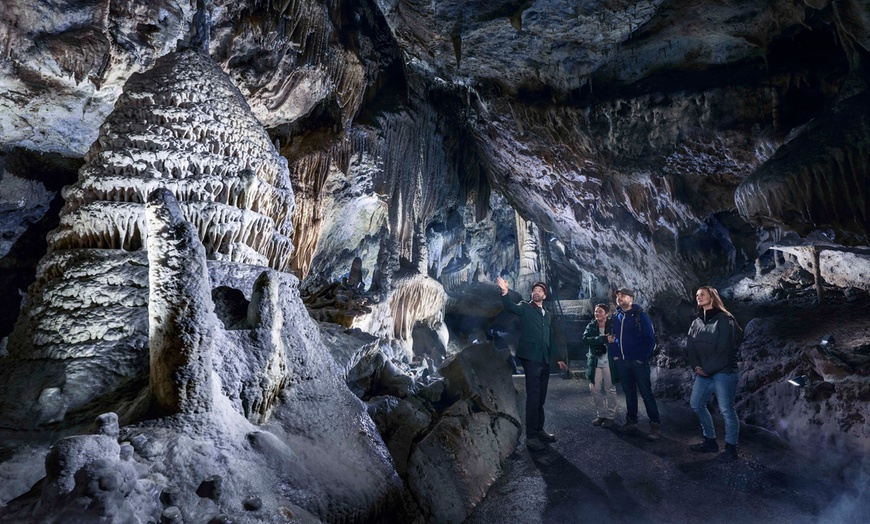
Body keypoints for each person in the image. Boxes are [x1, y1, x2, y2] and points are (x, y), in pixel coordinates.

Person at [497, 277, 568, 451]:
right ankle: (531, 436)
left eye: (540, 291)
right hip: (530, 357)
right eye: (534, 290)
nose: (536, 292)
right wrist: (505, 292)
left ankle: (539, 429)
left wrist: (557, 358)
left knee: (541, 397)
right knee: (534, 397)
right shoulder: (525, 307)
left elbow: (550, 338)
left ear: (544, 295)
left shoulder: (547, 315)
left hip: (544, 358)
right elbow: (510, 307)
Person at [686, 286, 742, 462]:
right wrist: (696, 365)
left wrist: (708, 369)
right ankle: (710, 441)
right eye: (696, 295)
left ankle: (731, 449)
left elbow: (726, 348)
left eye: (703, 294)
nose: (699, 297)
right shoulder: (696, 322)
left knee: (726, 409)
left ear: (712, 296)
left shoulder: (725, 319)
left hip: (723, 371)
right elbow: (690, 347)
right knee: (696, 403)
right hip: (703, 371)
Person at [607, 287, 661, 441]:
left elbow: (650, 339)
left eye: (623, 295)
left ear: (631, 298)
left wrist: (641, 357)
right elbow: (612, 336)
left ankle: (655, 426)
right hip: (622, 362)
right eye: (618, 295)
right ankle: (631, 421)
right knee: (629, 393)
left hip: (638, 362)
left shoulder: (640, 316)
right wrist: (616, 355)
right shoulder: (616, 317)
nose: (619, 297)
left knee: (646, 393)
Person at [583, 303, 619, 428]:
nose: (597, 314)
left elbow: (619, 339)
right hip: (595, 362)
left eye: (600, 312)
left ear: (607, 314)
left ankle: (610, 416)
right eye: (596, 311)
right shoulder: (591, 326)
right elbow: (585, 340)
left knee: (610, 389)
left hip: (609, 362)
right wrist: (602, 339)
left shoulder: (613, 325)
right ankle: (601, 414)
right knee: (595, 389)